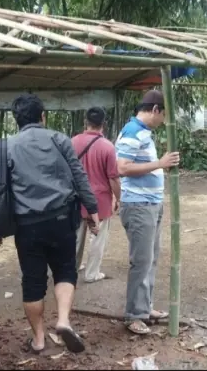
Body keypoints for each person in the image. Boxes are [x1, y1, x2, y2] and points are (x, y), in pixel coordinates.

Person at [0, 93, 99, 354]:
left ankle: (39, 340)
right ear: (43, 116)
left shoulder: (6, 146)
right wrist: (92, 210)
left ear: (16, 119)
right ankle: (63, 321)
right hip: (62, 219)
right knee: (65, 271)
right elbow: (79, 176)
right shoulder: (59, 139)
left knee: (33, 281)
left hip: (27, 225)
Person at [115, 90, 180, 335]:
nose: (163, 120)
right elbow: (122, 167)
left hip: (151, 204)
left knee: (150, 259)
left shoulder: (143, 132)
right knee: (141, 261)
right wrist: (160, 164)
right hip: (139, 206)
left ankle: (145, 307)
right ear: (155, 110)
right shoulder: (133, 131)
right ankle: (134, 315)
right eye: (163, 115)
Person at [72, 106, 121, 283]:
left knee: (75, 237)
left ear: (86, 122)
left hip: (76, 200)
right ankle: (92, 273)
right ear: (103, 124)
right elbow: (113, 178)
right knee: (98, 238)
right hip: (100, 200)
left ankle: (71, 269)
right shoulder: (107, 147)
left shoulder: (73, 142)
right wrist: (119, 198)